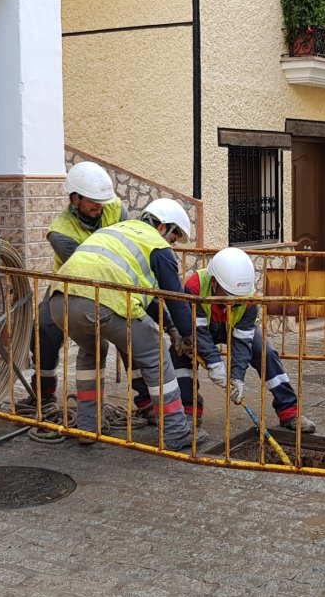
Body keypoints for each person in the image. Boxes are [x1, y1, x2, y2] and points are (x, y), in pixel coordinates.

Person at [51, 198, 215, 450]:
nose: (170, 244)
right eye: (173, 237)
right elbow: (176, 297)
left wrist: (172, 330)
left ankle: (87, 426)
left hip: (61, 301)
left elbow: (147, 298)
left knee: (91, 352)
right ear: (163, 227)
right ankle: (176, 431)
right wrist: (190, 336)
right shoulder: (156, 245)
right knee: (156, 353)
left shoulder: (114, 231)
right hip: (104, 300)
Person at [169, 247, 317, 434]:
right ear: (214, 282)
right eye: (230, 296)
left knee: (266, 353)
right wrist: (215, 363)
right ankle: (189, 412)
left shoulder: (248, 298)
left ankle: (290, 411)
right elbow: (198, 333)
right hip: (202, 329)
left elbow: (242, 342)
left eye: (238, 298)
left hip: (235, 328)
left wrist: (237, 377)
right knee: (181, 355)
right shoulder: (195, 287)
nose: (235, 301)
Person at [20, 161, 126, 417]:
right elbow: (84, 269)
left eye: (102, 200)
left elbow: (128, 240)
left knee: (132, 332)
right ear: (75, 198)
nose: (99, 206)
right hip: (71, 282)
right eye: (92, 200)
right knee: (44, 328)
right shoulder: (60, 233)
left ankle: (146, 401)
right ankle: (43, 393)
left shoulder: (115, 208)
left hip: (116, 279)